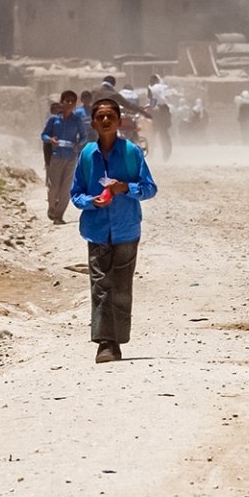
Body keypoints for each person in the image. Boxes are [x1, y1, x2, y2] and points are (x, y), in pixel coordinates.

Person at [71, 95, 160, 363]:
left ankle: (118, 340)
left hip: (126, 229)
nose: (106, 120)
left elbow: (150, 188)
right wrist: (91, 202)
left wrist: (126, 188)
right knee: (100, 286)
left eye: (111, 116)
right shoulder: (87, 155)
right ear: (94, 123)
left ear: (120, 121)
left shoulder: (132, 153)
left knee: (121, 288)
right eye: (101, 117)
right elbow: (75, 194)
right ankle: (105, 343)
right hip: (96, 230)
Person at [40, 91, 89, 224]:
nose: (69, 104)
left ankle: (59, 215)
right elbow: (43, 135)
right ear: (62, 102)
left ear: (75, 104)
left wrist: (78, 145)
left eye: (72, 101)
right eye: (67, 101)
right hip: (57, 156)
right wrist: (50, 139)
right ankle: (51, 207)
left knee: (66, 188)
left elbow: (84, 136)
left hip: (71, 157)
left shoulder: (77, 120)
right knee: (54, 187)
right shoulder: (53, 120)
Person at [147, 74, 175, 161]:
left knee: (152, 134)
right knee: (164, 133)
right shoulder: (165, 87)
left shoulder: (151, 88)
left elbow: (152, 101)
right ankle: (166, 155)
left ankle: (150, 155)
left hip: (156, 111)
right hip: (164, 110)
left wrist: (151, 110)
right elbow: (169, 98)